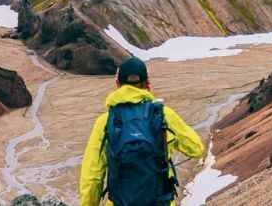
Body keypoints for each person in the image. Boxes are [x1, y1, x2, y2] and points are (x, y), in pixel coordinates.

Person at [79, 56, 205, 206]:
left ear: (117, 84)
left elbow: (92, 176)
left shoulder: (105, 122)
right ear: (147, 84)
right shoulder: (163, 114)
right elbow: (196, 149)